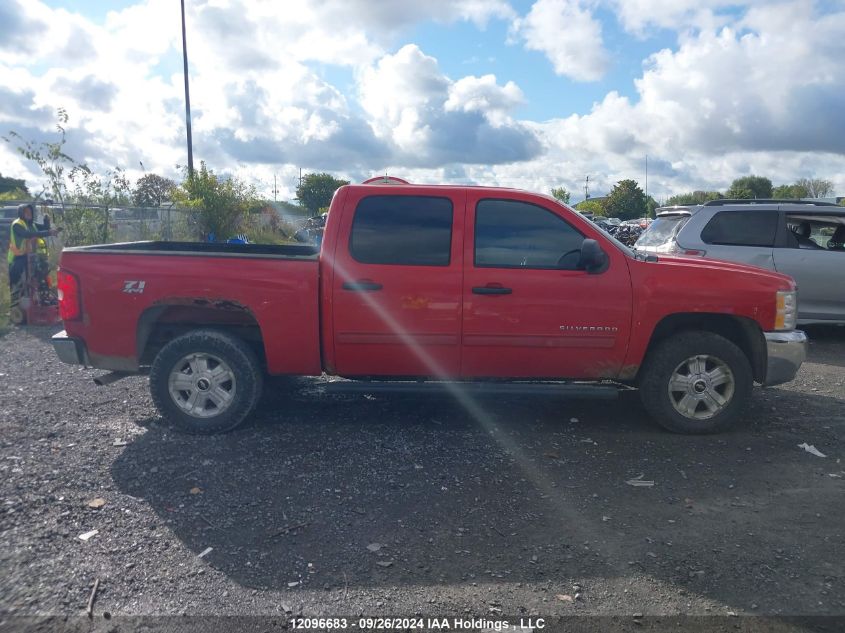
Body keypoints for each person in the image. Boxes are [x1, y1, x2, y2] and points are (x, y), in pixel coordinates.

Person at [7, 203, 60, 304]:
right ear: (21, 213)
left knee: (36, 278)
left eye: (30, 211)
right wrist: (48, 233)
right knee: (18, 283)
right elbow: (27, 235)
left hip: (30, 257)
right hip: (17, 258)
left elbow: (45, 228)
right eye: (26, 212)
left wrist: (46, 219)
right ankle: (15, 306)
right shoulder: (17, 224)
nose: (29, 213)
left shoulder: (32, 224)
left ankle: (35, 301)